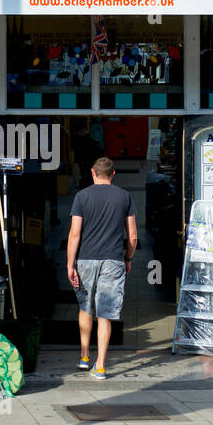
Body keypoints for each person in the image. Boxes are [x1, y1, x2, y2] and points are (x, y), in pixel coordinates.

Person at [67, 157, 137, 379]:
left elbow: (75, 233)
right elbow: (133, 236)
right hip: (113, 260)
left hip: (86, 260)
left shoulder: (82, 196)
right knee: (105, 314)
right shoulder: (124, 197)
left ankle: (84, 355)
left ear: (92, 172)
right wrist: (127, 258)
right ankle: (100, 365)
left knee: (85, 308)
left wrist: (70, 264)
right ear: (113, 174)